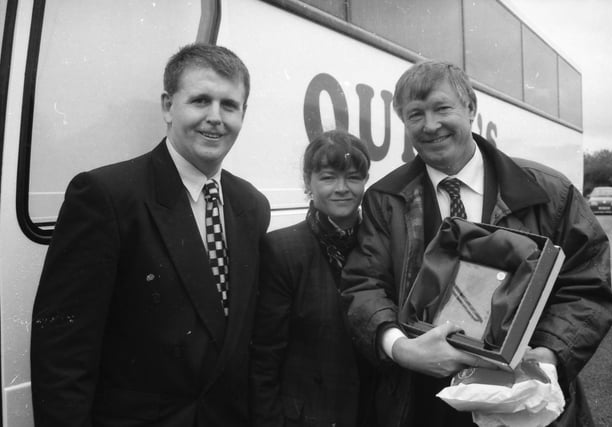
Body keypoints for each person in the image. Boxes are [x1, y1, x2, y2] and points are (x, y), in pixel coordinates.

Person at [340, 60, 612, 426]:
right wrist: (401, 349)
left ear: (470, 107)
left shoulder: (549, 192)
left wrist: (549, 353)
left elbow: (587, 285)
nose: (430, 125)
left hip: (521, 402)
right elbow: (364, 284)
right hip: (422, 400)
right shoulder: (385, 198)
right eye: (415, 114)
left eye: (442, 108)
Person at [30, 43, 271, 427]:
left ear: (244, 114)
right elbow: (63, 354)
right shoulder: (106, 196)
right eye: (200, 101)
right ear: (167, 106)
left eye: (229, 105)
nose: (215, 118)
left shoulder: (252, 206)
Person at [250, 130, 375, 427]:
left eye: (354, 177)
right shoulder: (281, 250)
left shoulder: (379, 244)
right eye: (329, 177)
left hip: (371, 412)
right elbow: (264, 360)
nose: (342, 188)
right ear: (308, 182)